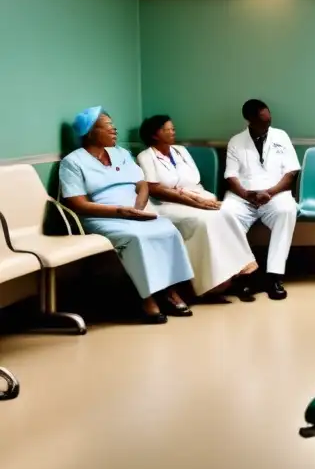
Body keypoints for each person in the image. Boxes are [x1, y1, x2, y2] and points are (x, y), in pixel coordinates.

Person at [59, 107, 194, 324]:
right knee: (136, 238)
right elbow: (78, 204)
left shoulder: (121, 153)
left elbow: (142, 185)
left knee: (167, 229)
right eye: (109, 127)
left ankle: (170, 290)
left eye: (114, 127)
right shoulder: (73, 162)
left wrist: (137, 209)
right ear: (91, 132)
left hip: (134, 211)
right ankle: (147, 298)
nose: (115, 131)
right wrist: (120, 211)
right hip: (100, 216)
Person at [137, 115, 258, 299]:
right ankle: (214, 285)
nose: (172, 131)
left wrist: (199, 199)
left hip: (196, 195)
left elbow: (194, 178)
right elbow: (155, 189)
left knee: (228, 212)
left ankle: (243, 271)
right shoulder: (146, 156)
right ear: (154, 135)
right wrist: (195, 202)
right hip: (168, 205)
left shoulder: (181, 151)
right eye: (166, 129)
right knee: (205, 220)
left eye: (173, 128)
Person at [222, 99, 299, 301]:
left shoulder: (281, 136)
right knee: (225, 215)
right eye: (263, 120)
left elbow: (291, 173)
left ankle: (274, 276)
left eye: (269, 116)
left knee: (287, 211)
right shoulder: (236, 141)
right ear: (250, 120)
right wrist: (247, 195)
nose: (268, 122)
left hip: (274, 194)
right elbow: (231, 176)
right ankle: (245, 274)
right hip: (243, 197)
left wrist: (270, 193)